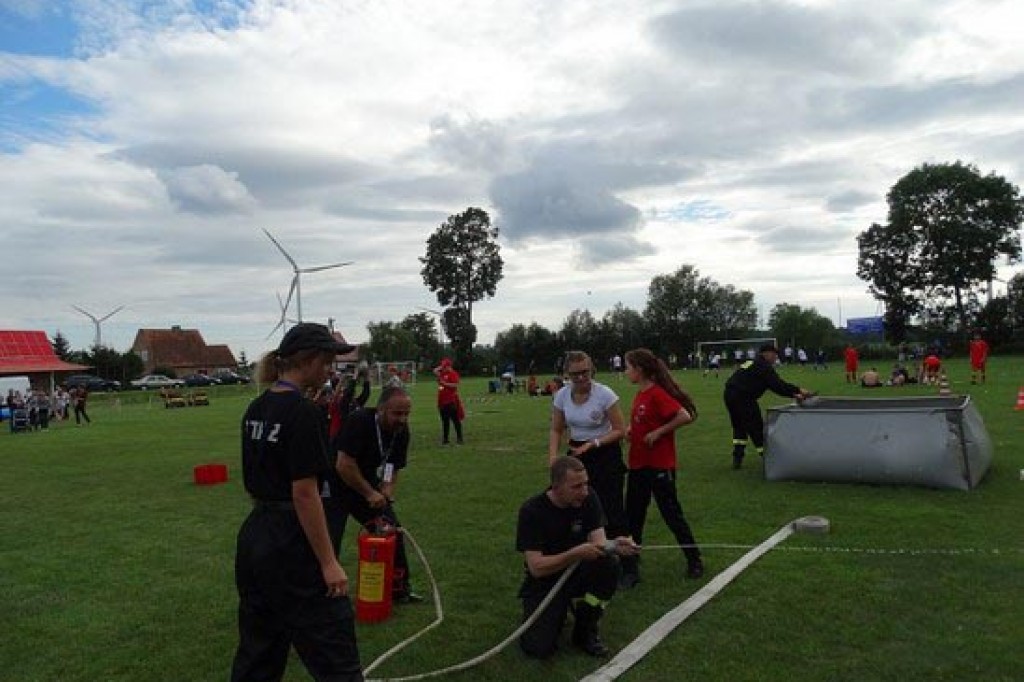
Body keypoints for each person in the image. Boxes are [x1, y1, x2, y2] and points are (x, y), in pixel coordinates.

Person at [231, 322, 363, 682]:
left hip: (256, 537)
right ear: (309, 360)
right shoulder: (304, 412)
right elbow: (304, 493)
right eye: (328, 362)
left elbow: (255, 481)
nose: (331, 370)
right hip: (292, 542)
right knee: (333, 649)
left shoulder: (256, 408)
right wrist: (329, 562)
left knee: (260, 649)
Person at [516, 456, 640, 659]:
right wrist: (575, 553)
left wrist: (616, 545)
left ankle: (585, 627)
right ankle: (553, 611)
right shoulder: (532, 511)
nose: (584, 491)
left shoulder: (588, 498)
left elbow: (599, 544)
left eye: (585, 483)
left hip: (580, 573)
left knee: (609, 565)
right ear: (556, 486)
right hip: (546, 580)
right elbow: (536, 567)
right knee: (538, 648)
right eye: (576, 486)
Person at [621, 348, 703, 586]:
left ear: (640, 369)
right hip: (637, 465)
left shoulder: (657, 393)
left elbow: (684, 416)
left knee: (671, 514)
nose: (625, 372)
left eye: (628, 367)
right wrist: (630, 431)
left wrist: (658, 432)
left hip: (658, 465)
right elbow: (643, 420)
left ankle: (694, 559)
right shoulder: (641, 394)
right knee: (633, 517)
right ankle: (631, 567)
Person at [333, 385, 422, 603]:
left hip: (364, 480)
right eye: (397, 413)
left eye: (406, 414)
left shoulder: (401, 431)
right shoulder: (359, 421)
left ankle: (398, 589)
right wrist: (370, 493)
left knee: (391, 530)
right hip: (334, 482)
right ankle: (323, 593)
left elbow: (392, 464)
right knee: (329, 537)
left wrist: (387, 490)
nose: (402, 419)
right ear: (381, 409)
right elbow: (344, 464)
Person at [548, 351, 629, 563]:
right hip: (576, 455)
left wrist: (593, 444)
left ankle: (627, 564)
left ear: (592, 369)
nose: (581, 378)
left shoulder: (605, 394)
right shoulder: (562, 396)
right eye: (575, 374)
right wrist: (553, 457)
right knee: (575, 503)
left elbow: (620, 430)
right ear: (567, 373)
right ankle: (582, 555)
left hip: (605, 453)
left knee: (611, 508)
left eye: (585, 372)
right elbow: (556, 429)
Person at [723, 343, 813, 469]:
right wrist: (798, 390)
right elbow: (777, 385)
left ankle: (737, 459)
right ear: (766, 353)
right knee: (757, 428)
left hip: (729, 394)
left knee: (739, 426)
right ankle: (769, 459)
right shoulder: (764, 366)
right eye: (774, 354)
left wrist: (793, 394)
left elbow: (772, 386)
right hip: (744, 397)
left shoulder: (753, 363)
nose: (776, 357)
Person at [328, 363, 371, 440]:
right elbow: (347, 394)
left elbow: (365, 394)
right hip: (338, 437)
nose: (354, 393)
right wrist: (353, 377)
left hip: (352, 436)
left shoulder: (354, 403)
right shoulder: (336, 403)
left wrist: (366, 377)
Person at [433, 358, 463, 445]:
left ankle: (459, 438)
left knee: (455, 420)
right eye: (443, 366)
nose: (443, 368)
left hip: (450, 400)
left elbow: (455, 385)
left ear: (449, 366)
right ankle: (445, 439)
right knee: (445, 421)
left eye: (445, 366)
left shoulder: (453, 374)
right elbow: (434, 371)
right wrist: (440, 368)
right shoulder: (442, 373)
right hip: (441, 401)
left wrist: (444, 383)